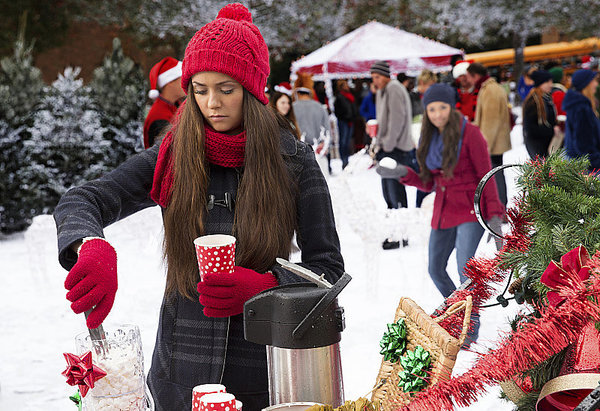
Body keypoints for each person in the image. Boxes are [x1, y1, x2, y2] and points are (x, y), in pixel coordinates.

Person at [53, 4, 344, 410]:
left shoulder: (293, 161)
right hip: (179, 374)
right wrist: (90, 245)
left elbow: (327, 269)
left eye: (226, 89)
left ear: (252, 89)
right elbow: (85, 198)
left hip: (263, 371)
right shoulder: (172, 155)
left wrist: (268, 288)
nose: (212, 103)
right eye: (200, 89)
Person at [376, 83, 504, 342]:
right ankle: (458, 312)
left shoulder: (471, 134)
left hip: (470, 208)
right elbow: (428, 182)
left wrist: (494, 217)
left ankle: (470, 327)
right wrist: (402, 173)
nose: (437, 114)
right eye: (431, 109)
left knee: (465, 272)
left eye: (442, 108)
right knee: (435, 268)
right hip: (444, 210)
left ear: (451, 106)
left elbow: (486, 176)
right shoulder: (428, 137)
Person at [370, 60, 415, 211]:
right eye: (373, 77)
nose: (374, 81)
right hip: (387, 148)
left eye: (377, 77)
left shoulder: (394, 88)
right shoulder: (383, 90)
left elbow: (397, 119)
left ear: (385, 75)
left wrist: (388, 145)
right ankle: (393, 229)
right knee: (388, 193)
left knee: (396, 193)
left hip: (396, 148)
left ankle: (401, 232)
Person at [467, 62, 511, 207]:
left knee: (494, 174)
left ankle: (500, 206)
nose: (468, 81)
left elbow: (491, 122)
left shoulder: (490, 90)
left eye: (469, 77)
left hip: (493, 143)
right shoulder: (489, 88)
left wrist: (484, 146)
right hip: (495, 142)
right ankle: (500, 205)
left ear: (475, 75)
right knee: (495, 173)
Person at [143, 57, 186, 149]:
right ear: (170, 82)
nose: (186, 83)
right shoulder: (159, 116)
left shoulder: (176, 104)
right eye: (182, 79)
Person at [563, 69, 600, 171]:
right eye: (594, 81)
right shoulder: (581, 109)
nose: (596, 84)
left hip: (582, 163)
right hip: (587, 168)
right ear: (586, 84)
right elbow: (583, 144)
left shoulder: (580, 105)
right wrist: (596, 162)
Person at [522, 70, 558, 159]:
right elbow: (531, 127)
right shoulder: (534, 101)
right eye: (547, 82)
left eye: (551, 81)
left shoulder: (545, 98)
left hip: (544, 144)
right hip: (537, 146)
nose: (551, 84)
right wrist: (551, 131)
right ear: (540, 83)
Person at [334, 80, 358, 168]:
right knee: (343, 141)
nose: (347, 86)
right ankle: (344, 160)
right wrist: (344, 117)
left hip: (350, 121)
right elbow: (337, 111)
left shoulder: (350, 96)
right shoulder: (340, 97)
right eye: (345, 85)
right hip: (343, 121)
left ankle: (346, 159)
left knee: (347, 141)